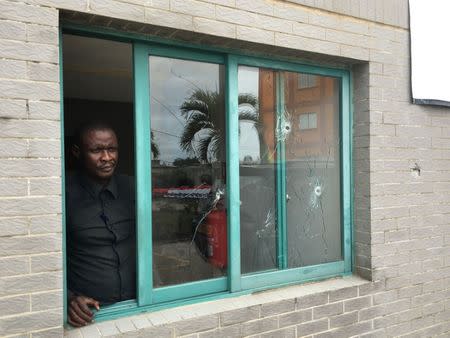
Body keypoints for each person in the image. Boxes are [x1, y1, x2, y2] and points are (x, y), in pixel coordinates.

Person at [66, 122, 135, 327]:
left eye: (111, 149)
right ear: (77, 152)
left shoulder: (132, 187)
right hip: (91, 315)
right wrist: (68, 298)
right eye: (96, 150)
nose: (107, 158)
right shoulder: (63, 194)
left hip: (138, 304)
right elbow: (45, 256)